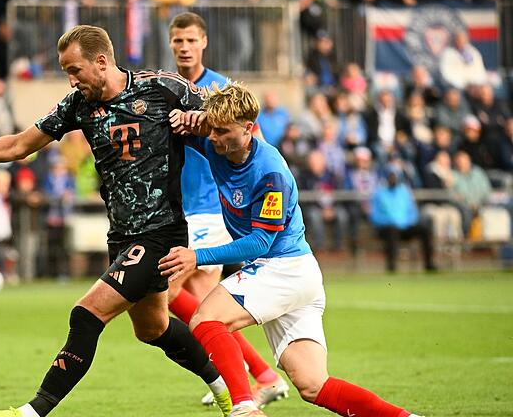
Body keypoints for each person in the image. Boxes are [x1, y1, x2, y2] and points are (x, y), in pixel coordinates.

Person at [0, 25, 231, 417]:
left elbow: (227, 115)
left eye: (75, 70)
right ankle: (226, 389)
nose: (71, 80)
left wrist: (200, 118)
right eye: (66, 72)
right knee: (153, 328)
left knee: (86, 313)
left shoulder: (163, 87)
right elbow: (21, 144)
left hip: (161, 233)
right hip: (122, 235)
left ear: (102, 62)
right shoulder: (78, 105)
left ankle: (29, 412)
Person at [159, 83, 425, 417]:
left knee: (205, 318)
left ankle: (244, 407)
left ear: (248, 128)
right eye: (213, 129)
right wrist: (182, 118)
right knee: (314, 386)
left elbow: (260, 242)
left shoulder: (270, 172)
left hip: (282, 268)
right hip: (296, 275)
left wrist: (197, 255)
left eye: (222, 131)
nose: (214, 137)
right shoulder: (218, 142)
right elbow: (184, 128)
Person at [167, 11, 288, 410]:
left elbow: (256, 144)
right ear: (171, 44)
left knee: (168, 294)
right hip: (177, 208)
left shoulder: (219, 90)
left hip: (208, 210)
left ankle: (237, 389)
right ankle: (262, 377)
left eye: (190, 40)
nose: (184, 47)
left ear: (203, 42)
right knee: (203, 307)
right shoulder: (166, 87)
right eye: (177, 40)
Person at [370, 167, 437, 273]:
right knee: (392, 230)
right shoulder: (379, 193)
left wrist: (405, 223)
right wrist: (391, 222)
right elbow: (375, 216)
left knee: (425, 229)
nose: (393, 179)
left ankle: (429, 264)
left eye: (395, 176)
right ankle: (392, 267)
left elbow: (412, 212)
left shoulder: (404, 192)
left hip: (405, 226)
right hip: (387, 228)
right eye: (391, 176)